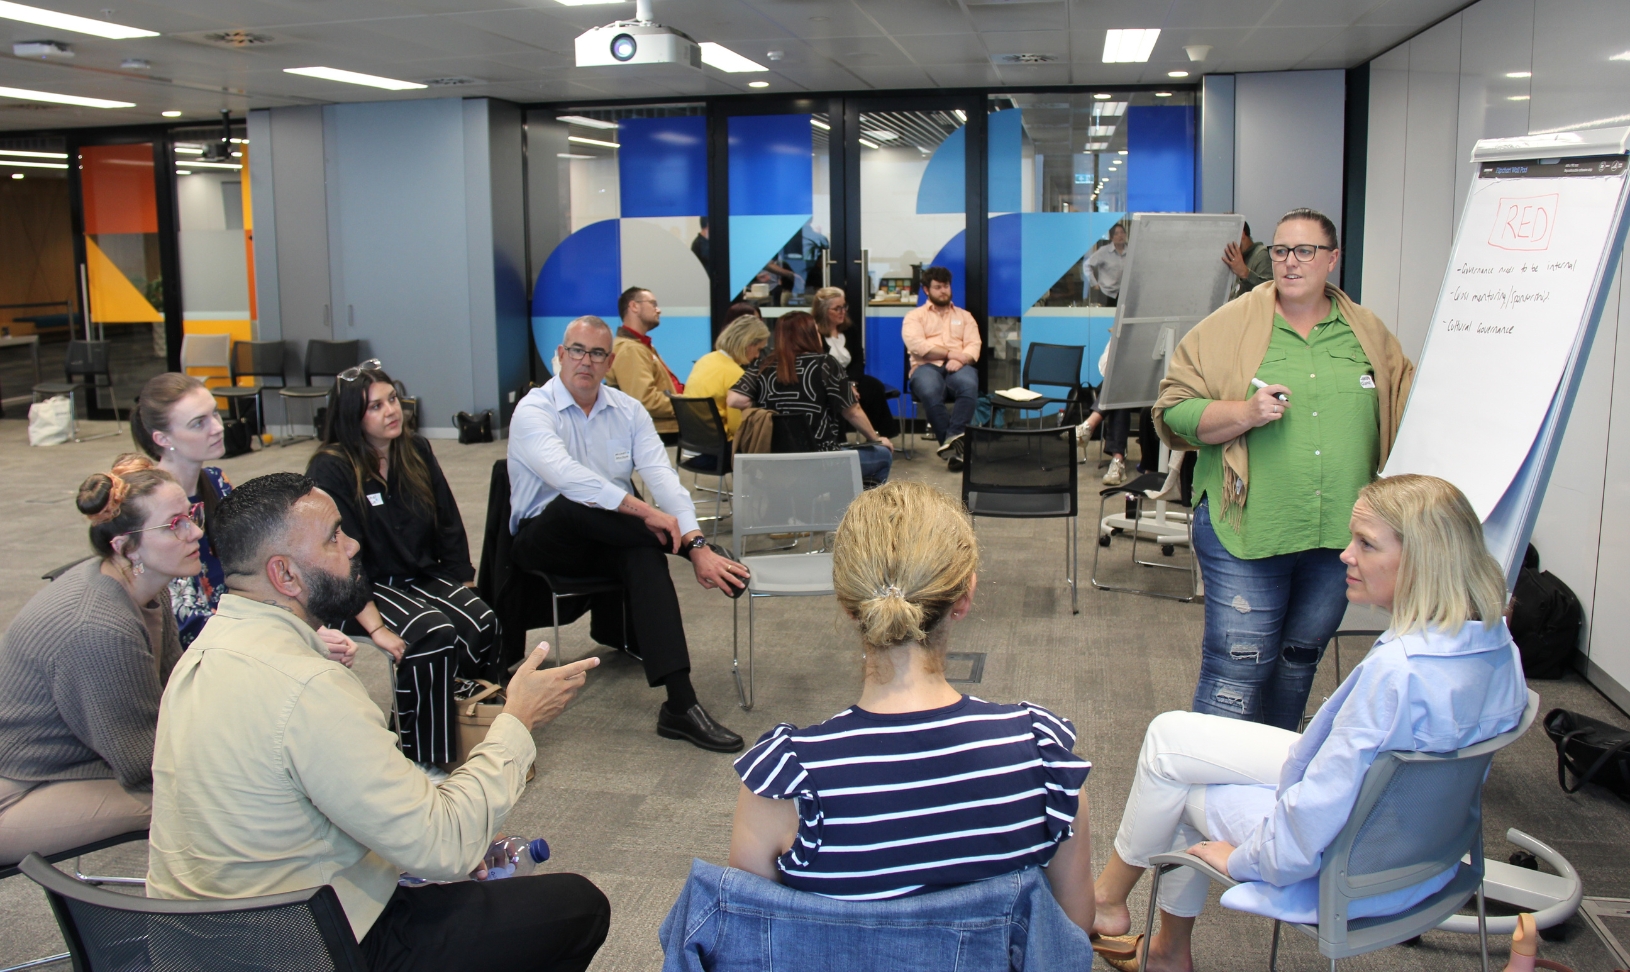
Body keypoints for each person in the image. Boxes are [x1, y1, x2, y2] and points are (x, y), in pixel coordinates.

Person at [146, 473, 610, 971]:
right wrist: (517, 719)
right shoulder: (307, 688)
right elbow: (448, 844)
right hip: (312, 949)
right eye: (333, 537)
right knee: (577, 906)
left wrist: (410, 843)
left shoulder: (201, 658)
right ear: (284, 575)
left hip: (205, 946)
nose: (353, 545)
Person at [1089, 474, 1527, 972]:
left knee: (1178, 795)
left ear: (1424, 559)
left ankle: (1145, 935)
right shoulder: (1496, 645)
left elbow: (1316, 813)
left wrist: (1241, 860)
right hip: (1426, 846)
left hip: (1357, 864)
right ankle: (1115, 907)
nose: (1346, 554)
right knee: (1170, 736)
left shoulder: (1399, 673)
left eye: (1366, 544)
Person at [728, 482, 1094, 925]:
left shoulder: (784, 783)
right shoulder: (1043, 760)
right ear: (965, 597)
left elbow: (749, 942)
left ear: (847, 604)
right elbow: (1071, 938)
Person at [1153, 207, 1415, 730]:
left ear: (1333, 259)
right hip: (1248, 527)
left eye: (1305, 251)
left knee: (1298, 664)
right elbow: (1172, 409)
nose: (1289, 263)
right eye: (1279, 251)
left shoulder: (1367, 334)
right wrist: (1244, 414)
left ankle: (1269, 793)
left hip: (1338, 534)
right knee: (1236, 670)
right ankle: (1206, 800)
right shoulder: (1229, 327)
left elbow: (1409, 410)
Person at [508, 316, 751, 753]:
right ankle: (702, 553)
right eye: (577, 350)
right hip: (545, 540)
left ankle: (681, 704)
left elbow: (663, 479)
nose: (586, 360)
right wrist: (657, 521)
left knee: (644, 555)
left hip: (613, 537)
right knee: (576, 504)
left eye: (597, 353)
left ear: (610, 361)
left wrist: (690, 536)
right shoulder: (533, 409)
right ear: (560, 356)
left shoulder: (627, 410)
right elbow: (570, 480)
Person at [306, 361, 501, 776]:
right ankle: (422, 759)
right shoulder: (332, 466)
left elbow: (448, 521)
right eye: (375, 407)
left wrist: (465, 586)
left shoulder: (415, 450)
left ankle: (459, 726)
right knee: (433, 634)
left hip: (420, 574)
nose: (391, 411)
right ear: (352, 418)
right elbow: (342, 556)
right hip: (364, 587)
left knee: (481, 621)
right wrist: (375, 628)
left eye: (392, 399)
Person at [0, 456, 191, 862]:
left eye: (191, 515)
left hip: (70, 759)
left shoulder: (148, 584)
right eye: (176, 524)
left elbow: (176, 690)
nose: (195, 533)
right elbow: (142, 761)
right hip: (17, 788)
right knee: (194, 798)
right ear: (125, 546)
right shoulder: (100, 627)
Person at [727, 312, 893, 485]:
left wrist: (762, 404)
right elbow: (853, 412)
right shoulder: (825, 364)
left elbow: (734, 400)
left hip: (775, 463)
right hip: (822, 462)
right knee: (883, 455)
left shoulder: (763, 366)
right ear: (809, 335)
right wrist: (875, 439)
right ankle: (852, 509)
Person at [131, 372, 232, 647]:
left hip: (233, 626)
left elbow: (249, 565)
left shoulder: (217, 482)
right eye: (199, 423)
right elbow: (185, 622)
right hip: (193, 645)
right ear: (163, 439)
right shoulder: (151, 505)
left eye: (215, 414)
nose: (217, 427)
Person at [902, 266, 981, 471]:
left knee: (969, 385)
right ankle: (955, 450)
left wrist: (962, 357)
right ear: (926, 290)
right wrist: (949, 354)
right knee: (929, 391)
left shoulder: (965, 316)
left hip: (959, 365)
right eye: (937, 287)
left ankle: (952, 441)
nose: (943, 291)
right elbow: (917, 345)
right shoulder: (914, 317)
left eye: (946, 286)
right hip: (925, 366)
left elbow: (974, 344)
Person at [813, 285, 900, 439]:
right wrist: (844, 386)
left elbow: (858, 360)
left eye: (844, 306)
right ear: (823, 311)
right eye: (837, 308)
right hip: (828, 382)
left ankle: (882, 435)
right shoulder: (814, 333)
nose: (843, 312)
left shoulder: (849, 329)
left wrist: (852, 383)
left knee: (873, 387)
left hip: (849, 378)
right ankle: (839, 441)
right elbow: (819, 366)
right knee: (837, 397)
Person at [683, 313, 770, 446]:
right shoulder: (737, 375)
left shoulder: (704, 360)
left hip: (695, 443)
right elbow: (737, 428)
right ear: (748, 344)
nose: (758, 356)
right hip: (723, 448)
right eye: (758, 349)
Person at [607, 286, 683, 438]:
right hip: (659, 434)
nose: (659, 310)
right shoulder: (630, 349)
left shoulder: (640, 346)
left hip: (663, 430)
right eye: (653, 304)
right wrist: (689, 405)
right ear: (634, 306)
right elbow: (645, 400)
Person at [1222, 220, 1273, 297]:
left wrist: (1245, 273)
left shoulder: (1262, 255)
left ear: (1241, 233)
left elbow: (1270, 292)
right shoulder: (1238, 259)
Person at [1086, 222, 1128, 307]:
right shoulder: (1104, 251)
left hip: (1125, 294)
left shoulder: (1131, 251)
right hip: (1107, 294)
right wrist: (1094, 284)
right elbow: (1087, 265)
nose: (1120, 235)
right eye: (1116, 233)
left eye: (1122, 232)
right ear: (1111, 237)